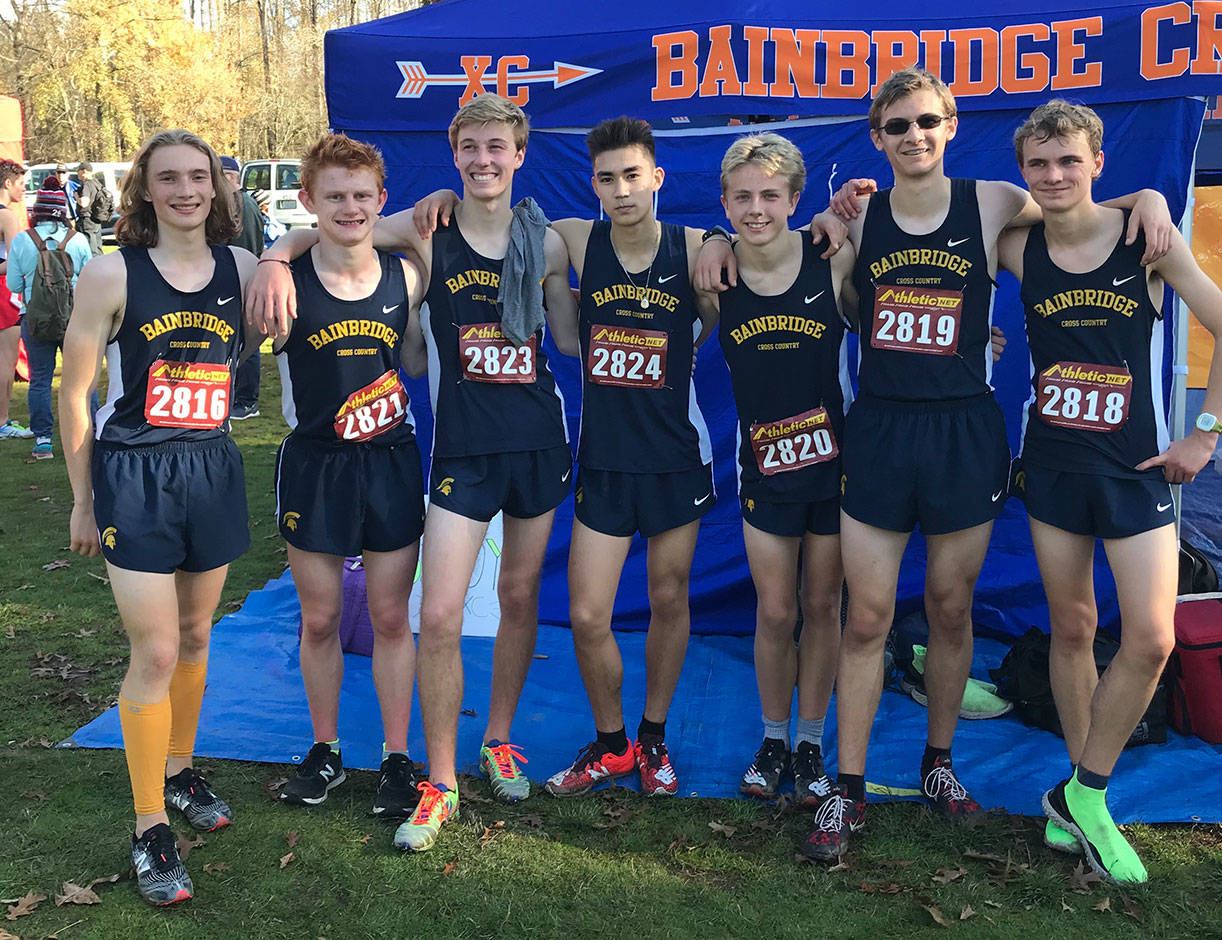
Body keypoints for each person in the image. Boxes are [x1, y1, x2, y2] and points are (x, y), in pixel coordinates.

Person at [697, 67, 1175, 863]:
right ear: (876, 137)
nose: (913, 136)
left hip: (965, 436)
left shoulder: (991, 200)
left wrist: (1146, 201)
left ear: (950, 126)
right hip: (881, 435)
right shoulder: (852, 220)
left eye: (926, 122)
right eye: (896, 126)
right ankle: (843, 793)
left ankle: (938, 764)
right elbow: (772, 247)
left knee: (951, 612)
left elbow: (1073, 208)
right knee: (868, 618)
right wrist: (718, 236)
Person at [249, 93, 578, 852]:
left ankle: (496, 739)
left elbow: (570, 330)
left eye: (499, 147)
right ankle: (438, 779)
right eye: (472, 148)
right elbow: (335, 232)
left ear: (520, 154)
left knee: (522, 594)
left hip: (538, 443)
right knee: (437, 616)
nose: (486, 160)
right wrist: (272, 255)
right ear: (454, 153)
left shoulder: (553, 244)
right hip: (461, 449)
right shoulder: (428, 236)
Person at [412, 116, 720, 799]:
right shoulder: (571, 239)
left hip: (672, 456)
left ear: (658, 177)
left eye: (632, 175)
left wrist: (725, 245)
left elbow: (736, 273)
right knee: (582, 615)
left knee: (667, 599)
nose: (620, 189)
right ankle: (611, 745)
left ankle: (652, 739)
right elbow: (479, 232)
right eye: (607, 178)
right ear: (594, 185)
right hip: (597, 459)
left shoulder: (697, 246)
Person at [996, 100, 1222, 884]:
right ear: (1024, 172)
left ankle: (1082, 791)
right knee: (1071, 628)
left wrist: (1203, 433)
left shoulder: (1144, 238)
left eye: (1069, 161)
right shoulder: (1016, 244)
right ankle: (1086, 796)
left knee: (1149, 637)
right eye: (1039, 164)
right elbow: (941, 246)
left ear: (1098, 163)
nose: (1054, 175)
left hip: (1135, 467)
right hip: (1054, 466)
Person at [59, 128, 257, 905]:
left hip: (210, 468)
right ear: (145, 189)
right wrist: (83, 497)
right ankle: (149, 828)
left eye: (198, 177)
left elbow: (341, 232)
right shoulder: (111, 274)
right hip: (134, 474)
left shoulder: (243, 267)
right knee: (156, 650)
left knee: (199, 634)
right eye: (168, 178)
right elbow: (72, 393)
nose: (185, 190)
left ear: (217, 188)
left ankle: (178, 769)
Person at [266, 133, 428, 820]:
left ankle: (396, 758)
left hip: (389, 462)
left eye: (362, 195)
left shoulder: (408, 276)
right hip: (316, 466)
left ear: (380, 199)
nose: (350, 207)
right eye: (334, 195)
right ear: (308, 201)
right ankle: (326, 749)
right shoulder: (283, 282)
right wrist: (279, 252)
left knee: (392, 617)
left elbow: (416, 359)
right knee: (322, 616)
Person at [713, 133, 853, 810]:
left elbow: (902, 301)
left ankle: (811, 743)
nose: (756, 208)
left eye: (770, 195)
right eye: (742, 196)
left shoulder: (831, 259)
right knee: (775, 610)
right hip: (763, 470)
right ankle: (773, 739)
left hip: (833, 470)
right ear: (725, 202)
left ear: (797, 200)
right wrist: (713, 238)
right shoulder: (714, 274)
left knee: (823, 606)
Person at [6, 175, 92, 459]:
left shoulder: (22, 240)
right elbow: (90, 277)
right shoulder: (77, 239)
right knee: (82, 378)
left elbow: (14, 286)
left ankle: (43, 439)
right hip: (75, 318)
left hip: (35, 320)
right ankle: (92, 432)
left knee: (40, 380)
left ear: (37, 211)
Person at [219, 156, 265, 420]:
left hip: (241, 279)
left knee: (247, 339)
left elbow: (244, 246)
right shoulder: (236, 202)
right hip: (234, 277)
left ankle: (247, 400)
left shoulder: (243, 203)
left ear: (230, 177)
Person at [0, 158, 33, 440]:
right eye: (21, 184)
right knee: (5, 358)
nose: (23, 190)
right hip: (3, 290)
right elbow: (13, 262)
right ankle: (2, 422)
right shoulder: (7, 216)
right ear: (8, 184)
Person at [74, 163, 106, 256]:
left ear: (83, 171)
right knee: (98, 248)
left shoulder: (87, 184)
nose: (77, 173)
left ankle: (93, 268)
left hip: (87, 221)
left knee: (90, 250)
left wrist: (76, 197)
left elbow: (84, 203)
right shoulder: (97, 183)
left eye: (78, 171)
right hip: (96, 219)